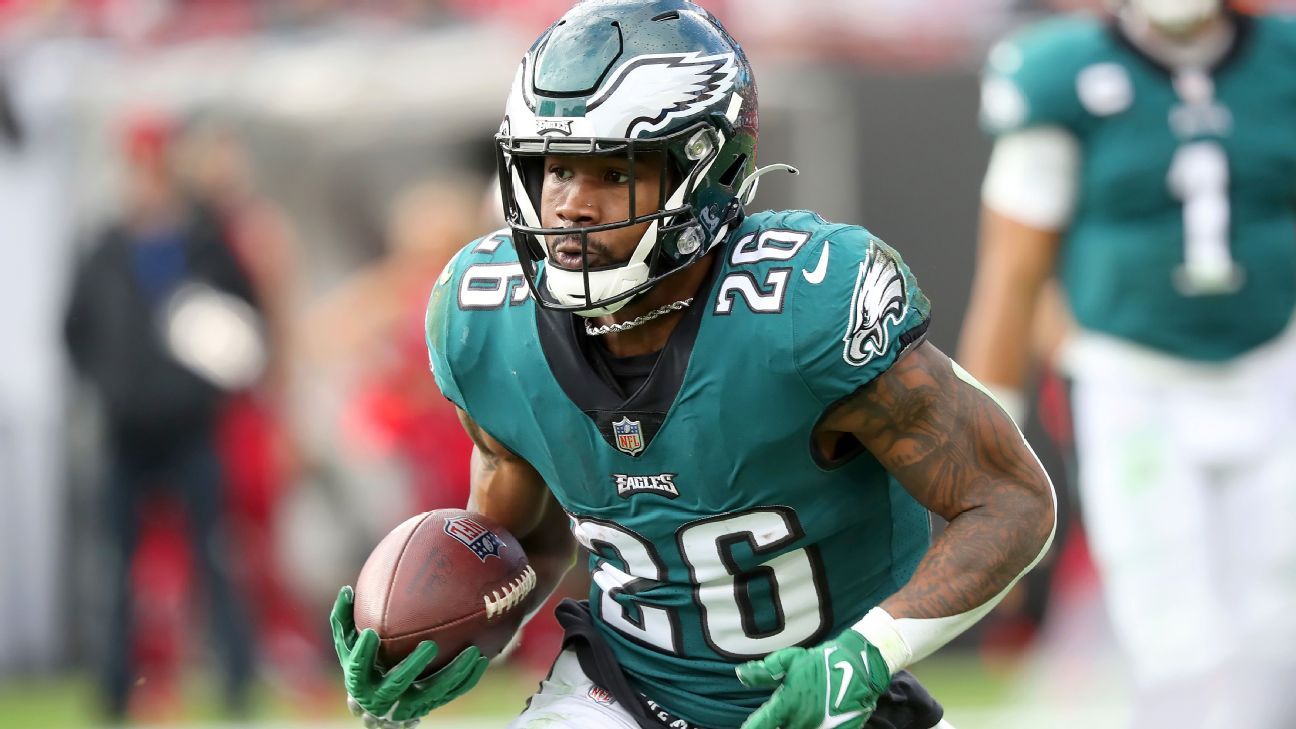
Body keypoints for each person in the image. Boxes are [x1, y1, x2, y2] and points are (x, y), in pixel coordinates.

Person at [330, 2, 1056, 728]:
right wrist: (435, 644)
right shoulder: (485, 316)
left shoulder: (801, 310)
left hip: (829, 700)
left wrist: (867, 652)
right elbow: (524, 539)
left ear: (707, 170)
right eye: (555, 169)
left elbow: (1011, 498)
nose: (572, 206)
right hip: (621, 693)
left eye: (612, 171)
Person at [959, 1, 1296, 726]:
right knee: (1172, 637)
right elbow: (1012, 275)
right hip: (1135, 386)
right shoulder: (1062, 71)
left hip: (1276, 368)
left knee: (1278, 634)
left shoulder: (1285, 59)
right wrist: (981, 458)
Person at [64, 110, 261, 720]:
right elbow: (75, 332)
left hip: (191, 432)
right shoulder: (104, 248)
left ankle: (236, 683)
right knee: (116, 570)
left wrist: (203, 389)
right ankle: (114, 691)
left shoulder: (202, 245)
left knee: (215, 560)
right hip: (125, 435)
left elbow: (241, 326)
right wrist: (114, 389)